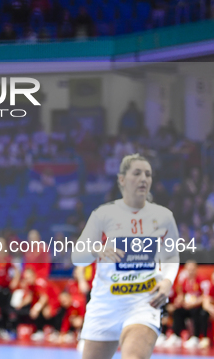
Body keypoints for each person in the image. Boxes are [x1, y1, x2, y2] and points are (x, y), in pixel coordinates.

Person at [72, 154, 180, 359]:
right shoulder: (103, 215)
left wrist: (167, 281)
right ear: (122, 179)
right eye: (137, 173)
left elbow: (171, 255)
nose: (144, 179)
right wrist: (95, 250)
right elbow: (77, 257)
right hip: (105, 305)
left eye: (148, 174)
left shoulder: (164, 217)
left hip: (143, 303)